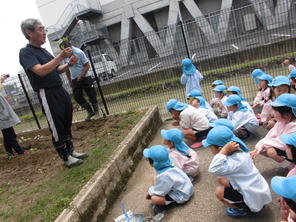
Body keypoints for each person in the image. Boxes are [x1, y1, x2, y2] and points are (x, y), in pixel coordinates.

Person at [19, 18, 88, 168]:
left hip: (59, 89)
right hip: (47, 93)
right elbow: (41, 71)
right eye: (40, 29)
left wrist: (68, 64)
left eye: (45, 29)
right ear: (29, 33)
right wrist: (61, 57)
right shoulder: (26, 52)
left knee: (66, 121)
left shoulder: (44, 51)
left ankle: (71, 151)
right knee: (57, 126)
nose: (44, 32)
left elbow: (56, 69)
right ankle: (65, 156)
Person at [203, 126, 272, 218]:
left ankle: (243, 210)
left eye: (210, 147)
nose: (210, 149)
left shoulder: (234, 161)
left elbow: (213, 169)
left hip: (251, 196)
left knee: (218, 192)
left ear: (220, 149)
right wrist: (224, 151)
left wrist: (224, 151)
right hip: (256, 188)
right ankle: (240, 201)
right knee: (220, 179)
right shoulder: (240, 152)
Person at [143, 145, 194, 214]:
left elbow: (160, 191)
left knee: (154, 199)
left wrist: (150, 193)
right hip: (186, 187)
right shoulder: (169, 163)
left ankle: (168, 204)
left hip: (182, 195)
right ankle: (168, 199)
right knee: (155, 178)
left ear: (153, 164)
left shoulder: (164, 175)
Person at [251, 94, 296, 169]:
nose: (272, 113)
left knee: (271, 151)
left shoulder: (294, 126)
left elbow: (282, 143)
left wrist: (263, 145)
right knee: (267, 149)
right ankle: (290, 165)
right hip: (288, 151)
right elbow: (271, 135)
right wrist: (258, 148)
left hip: (290, 150)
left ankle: (292, 168)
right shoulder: (281, 121)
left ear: (287, 115)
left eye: (275, 111)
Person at [59, 39, 99, 121]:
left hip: (86, 77)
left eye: (66, 49)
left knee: (91, 95)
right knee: (77, 96)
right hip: (74, 79)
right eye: (63, 50)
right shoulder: (65, 55)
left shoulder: (79, 52)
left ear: (70, 46)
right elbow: (67, 69)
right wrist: (70, 80)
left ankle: (97, 112)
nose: (65, 51)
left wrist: (82, 76)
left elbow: (87, 66)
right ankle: (90, 111)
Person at [0, 75, 28, 156]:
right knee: (10, 135)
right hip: (3, 117)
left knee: (7, 134)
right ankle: (20, 151)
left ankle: (9, 152)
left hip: (4, 117)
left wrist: (2, 79)